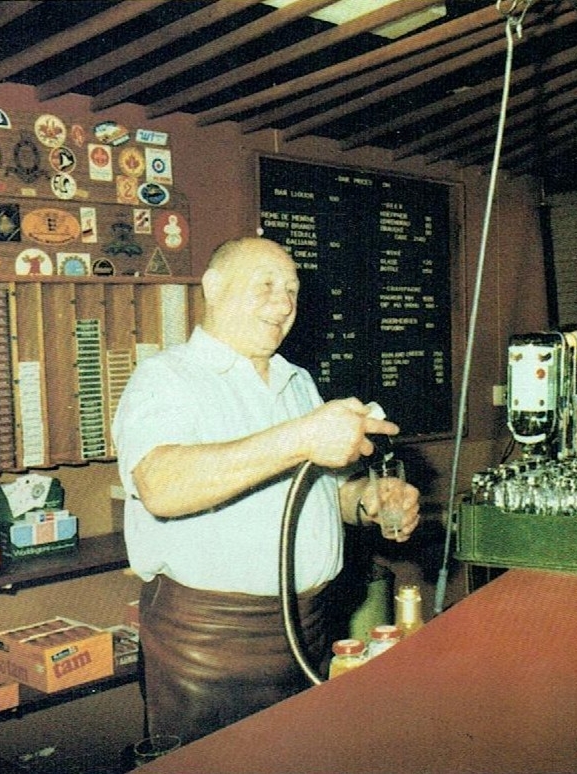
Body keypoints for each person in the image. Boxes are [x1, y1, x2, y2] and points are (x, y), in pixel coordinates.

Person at [112, 237, 420, 746]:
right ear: (213, 288)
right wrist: (301, 436)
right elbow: (161, 486)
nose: (284, 304)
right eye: (267, 286)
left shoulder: (296, 381)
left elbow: (316, 493)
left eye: (293, 290)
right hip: (213, 643)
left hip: (311, 625)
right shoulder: (167, 378)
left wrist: (365, 501)